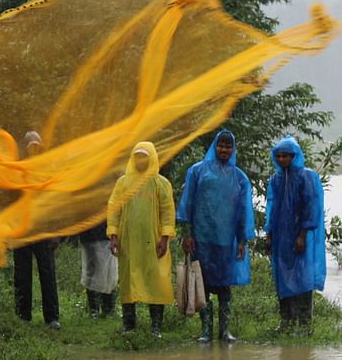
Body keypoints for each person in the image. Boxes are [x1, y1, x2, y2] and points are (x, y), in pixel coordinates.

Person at [176, 129, 254, 342]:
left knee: (224, 284)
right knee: (204, 282)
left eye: (228, 146)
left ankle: (224, 331)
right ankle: (206, 330)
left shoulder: (240, 178)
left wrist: (242, 240)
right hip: (201, 238)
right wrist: (187, 234)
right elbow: (187, 204)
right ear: (214, 146)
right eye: (221, 145)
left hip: (226, 240)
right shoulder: (198, 171)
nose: (224, 150)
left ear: (233, 149)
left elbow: (244, 212)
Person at [107, 142, 175, 336]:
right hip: (128, 242)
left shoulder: (161, 183)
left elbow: (168, 212)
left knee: (156, 279)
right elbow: (114, 209)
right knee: (129, 279)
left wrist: (164, 238)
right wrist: (113, 235)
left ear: (152, 157)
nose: (141, 160)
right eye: (137, 156)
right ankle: (129, 325)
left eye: (144, 156)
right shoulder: (123, 183)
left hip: (153, 242)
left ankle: (156, 327)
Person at [264, 136, 326, 334]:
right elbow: (271, 208)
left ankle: (305, 324)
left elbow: (311, 207)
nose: (282, 159)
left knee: (303, 277)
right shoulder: (275, 179)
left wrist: (302, 235)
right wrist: (269, 233)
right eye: (279, 156)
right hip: (281, 237)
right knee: (282, 277)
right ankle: (286, 322)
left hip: (300, 236)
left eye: (286, 156)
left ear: (294, 156)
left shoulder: (307, 177)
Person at [12, 131, 60, 329]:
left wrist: (56, 232)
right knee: (22, 274)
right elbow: (10, 204)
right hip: (22, 230)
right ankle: (23, 315)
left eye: (36, 146)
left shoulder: (47, 172)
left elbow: (54, 204)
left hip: (43, 230)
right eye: (30, 146)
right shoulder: (17, 172)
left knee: (47, 273)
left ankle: (52, 318)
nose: (33, 150)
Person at [79, 221, 117, 317]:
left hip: (106, 234)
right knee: (91, 272)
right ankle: (94, 309)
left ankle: (108, 308)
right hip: (89, 234)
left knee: (108, 272)